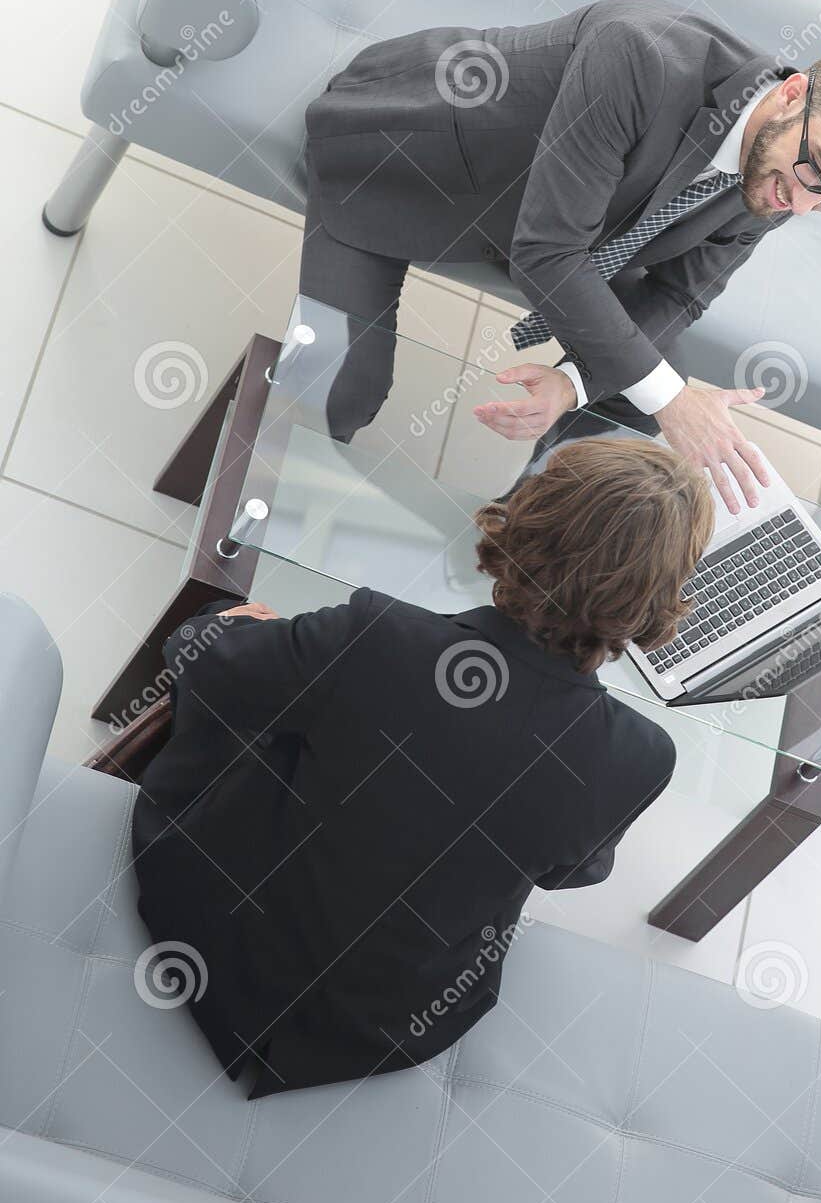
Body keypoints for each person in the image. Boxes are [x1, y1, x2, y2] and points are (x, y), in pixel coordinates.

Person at [130, 439, 714, 1099]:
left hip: (210, 935)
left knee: (252, 669)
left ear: (524, 520)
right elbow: (568, 871)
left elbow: (202, 669)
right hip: (389, 1026)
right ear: (658, 598)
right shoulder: (639, 757)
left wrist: (224, 623)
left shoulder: (379, 637)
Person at [298, 0, 821, 511]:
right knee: (341, 389)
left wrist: (572, 384)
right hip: (412, 162)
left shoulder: (786, 176)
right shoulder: (641, 55)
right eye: (815, 169)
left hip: (571, 225)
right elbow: (547, 255)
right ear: (794, 92)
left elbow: (680, 293)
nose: (801, 205)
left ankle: (524, 547)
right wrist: (672, 400)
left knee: (639, 387)